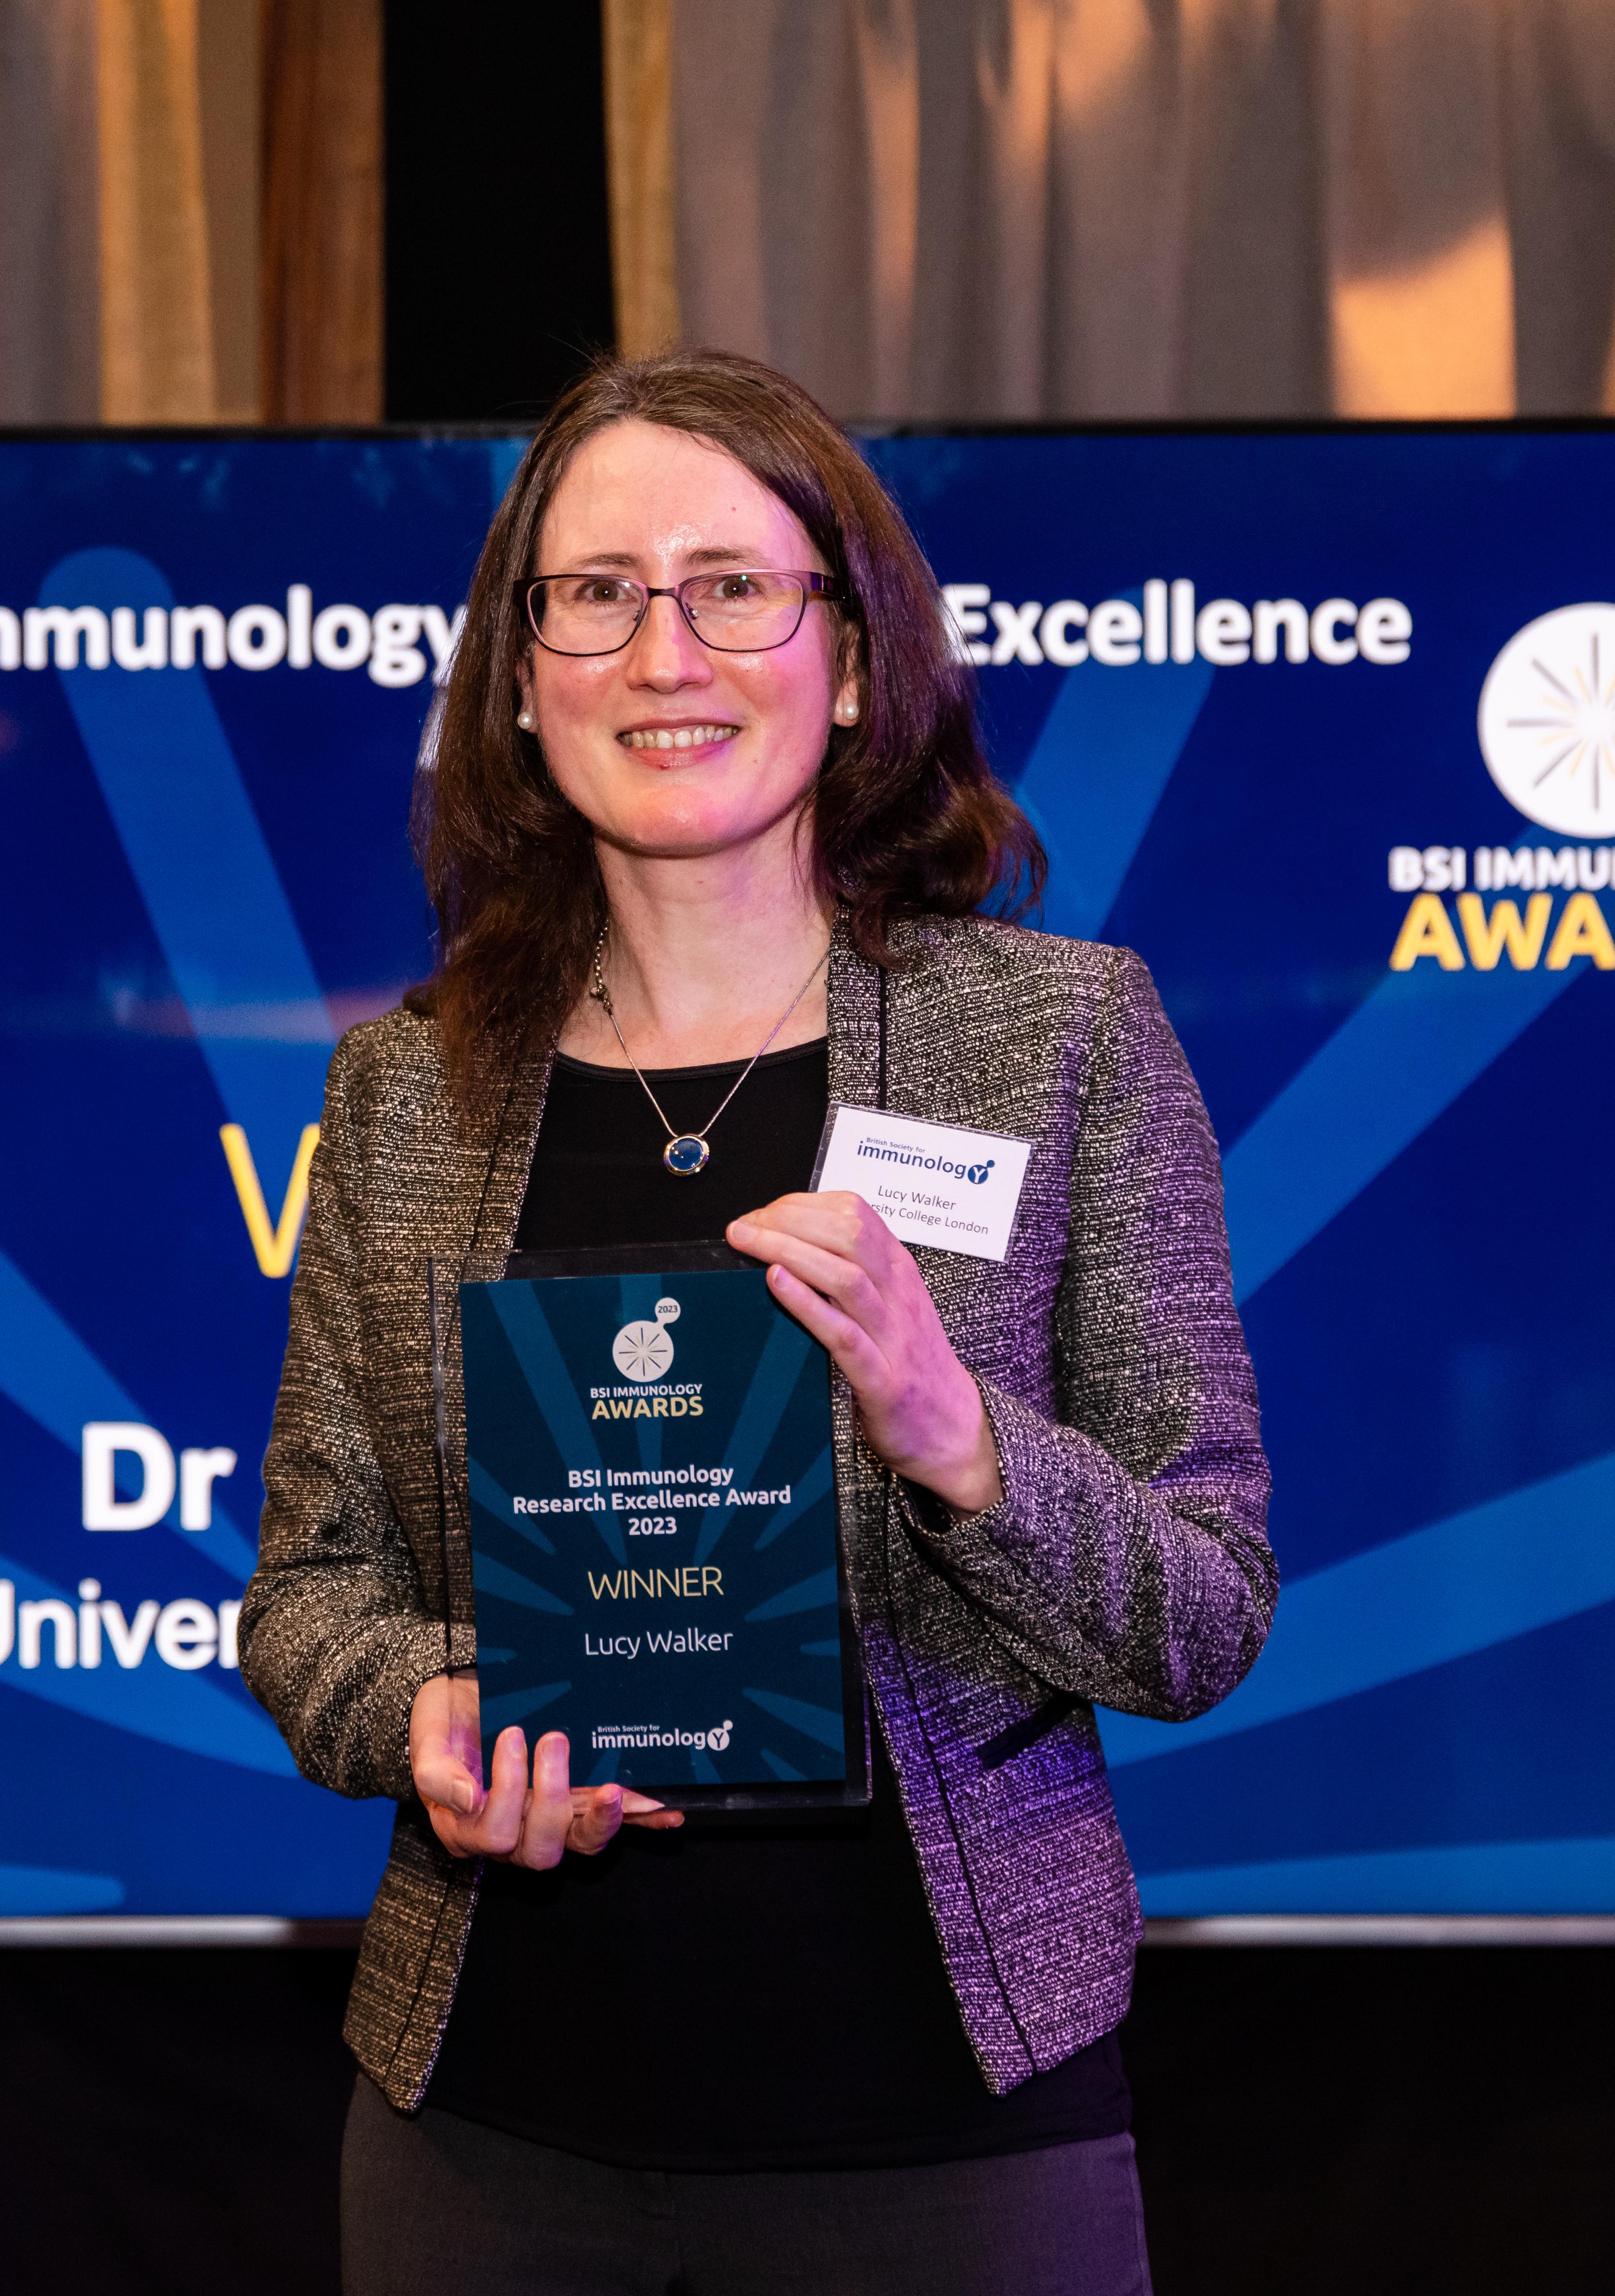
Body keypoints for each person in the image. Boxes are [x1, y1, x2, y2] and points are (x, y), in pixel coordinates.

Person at [238, 349, 1273, 2296]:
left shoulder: (1051, 1039)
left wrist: (953, 1429)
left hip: (948, 2145)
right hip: (489, 2142)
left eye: (735, 585)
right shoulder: (408, 1087)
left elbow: (1203, 1607)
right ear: (522, 677)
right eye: (595, 594)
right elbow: (308, 1589)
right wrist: (429, 1716)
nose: (662, 652)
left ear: (855, 658)